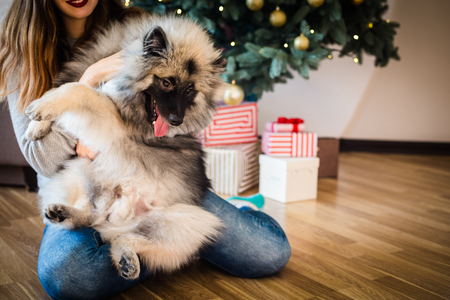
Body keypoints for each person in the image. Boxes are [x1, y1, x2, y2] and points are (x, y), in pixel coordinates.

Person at [0, 0, 291, 299]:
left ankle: (174, 236)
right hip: (85, 186)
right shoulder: (22, 50)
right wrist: (90, 78)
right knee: (71, 276)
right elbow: (43, 158)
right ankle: (160, 246)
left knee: (270, 253)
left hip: (161, 180)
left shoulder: (138, 23)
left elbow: (182, 120)